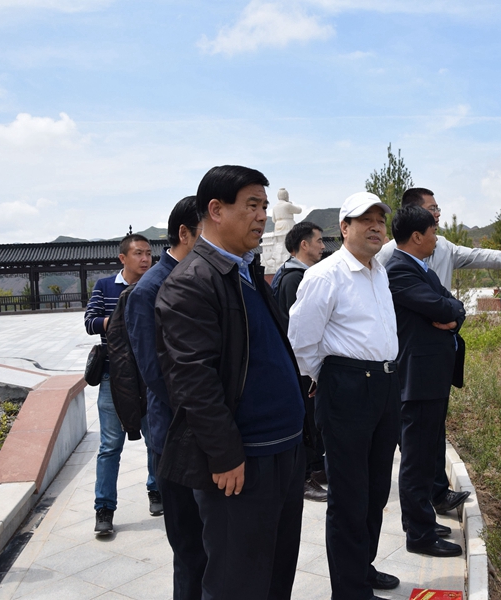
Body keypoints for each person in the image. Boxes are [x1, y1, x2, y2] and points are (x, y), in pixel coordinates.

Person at [155, 165, 305, 600]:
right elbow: (193, 381)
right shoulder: (192, 284)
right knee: (237, 583)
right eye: (252, 206)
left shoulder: (246, 272)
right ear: (216, 211)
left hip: (284, 450)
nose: (262, 216)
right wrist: (224, 455)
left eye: (264, 206)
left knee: (276, 575)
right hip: (243, 464)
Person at [376, 187, 501, 516]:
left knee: (433, 432)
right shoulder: (388, 255)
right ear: (415, 216)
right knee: (415, 440)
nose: (438, 214)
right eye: (432, 209)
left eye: (437, 208)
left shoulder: (441, 247)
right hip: (410, 354)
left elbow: (478, 258)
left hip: (439, 351)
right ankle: (420, 512)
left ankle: (436, 494)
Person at [288, 192, 401, 600]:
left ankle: (362, 567)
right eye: (364, 220)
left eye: (380, 221)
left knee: (376, 489)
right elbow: (301, 340)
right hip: (347, 387)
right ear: (344, 228)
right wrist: (328, 377)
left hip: (385, 385)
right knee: (349, 495)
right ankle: (350, 591)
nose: (375, 227)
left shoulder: (379, 272)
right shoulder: (325, 275)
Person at [125, 196, 205, 600]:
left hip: (210, 431)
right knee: (190, 548)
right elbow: (155, 374)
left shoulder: (204, 277)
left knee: (216, 544)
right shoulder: (149, 290)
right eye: (207, 230)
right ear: (185, 234)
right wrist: (206, 413)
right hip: (177, 434)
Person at [386, 205, 467, 558]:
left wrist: (453, 314)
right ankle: (419, 533)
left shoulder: (421, 269)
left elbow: (454, 306)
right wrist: (451, 312)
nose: (437, 237)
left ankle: (423, 520)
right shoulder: (399, 271)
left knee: (427, 453)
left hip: (431, 378)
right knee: (417, 460)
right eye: (433, 231)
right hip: (417, 381)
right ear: (417, 236)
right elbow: (444, 307)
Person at [84, 233, 160, 536]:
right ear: (123, 258)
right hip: (112, 376)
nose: (145, 259)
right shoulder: (105, 286)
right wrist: (120, 320)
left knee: (156, 439)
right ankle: (104, 507)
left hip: (149, 376)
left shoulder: (156, 285)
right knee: (110, 445)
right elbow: (90, 322)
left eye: (148, 253)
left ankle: (157, 490)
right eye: (139, 253)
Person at [273, 221, 328, 503]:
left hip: (303, 364)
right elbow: (296, 328)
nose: (323, 247)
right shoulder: (293, 279)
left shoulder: (298, 275)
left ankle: (316, 468)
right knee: (305, 420)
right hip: (299, 365)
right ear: (303, 245)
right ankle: (305, 477)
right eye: (319, 241)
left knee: (313, 419)